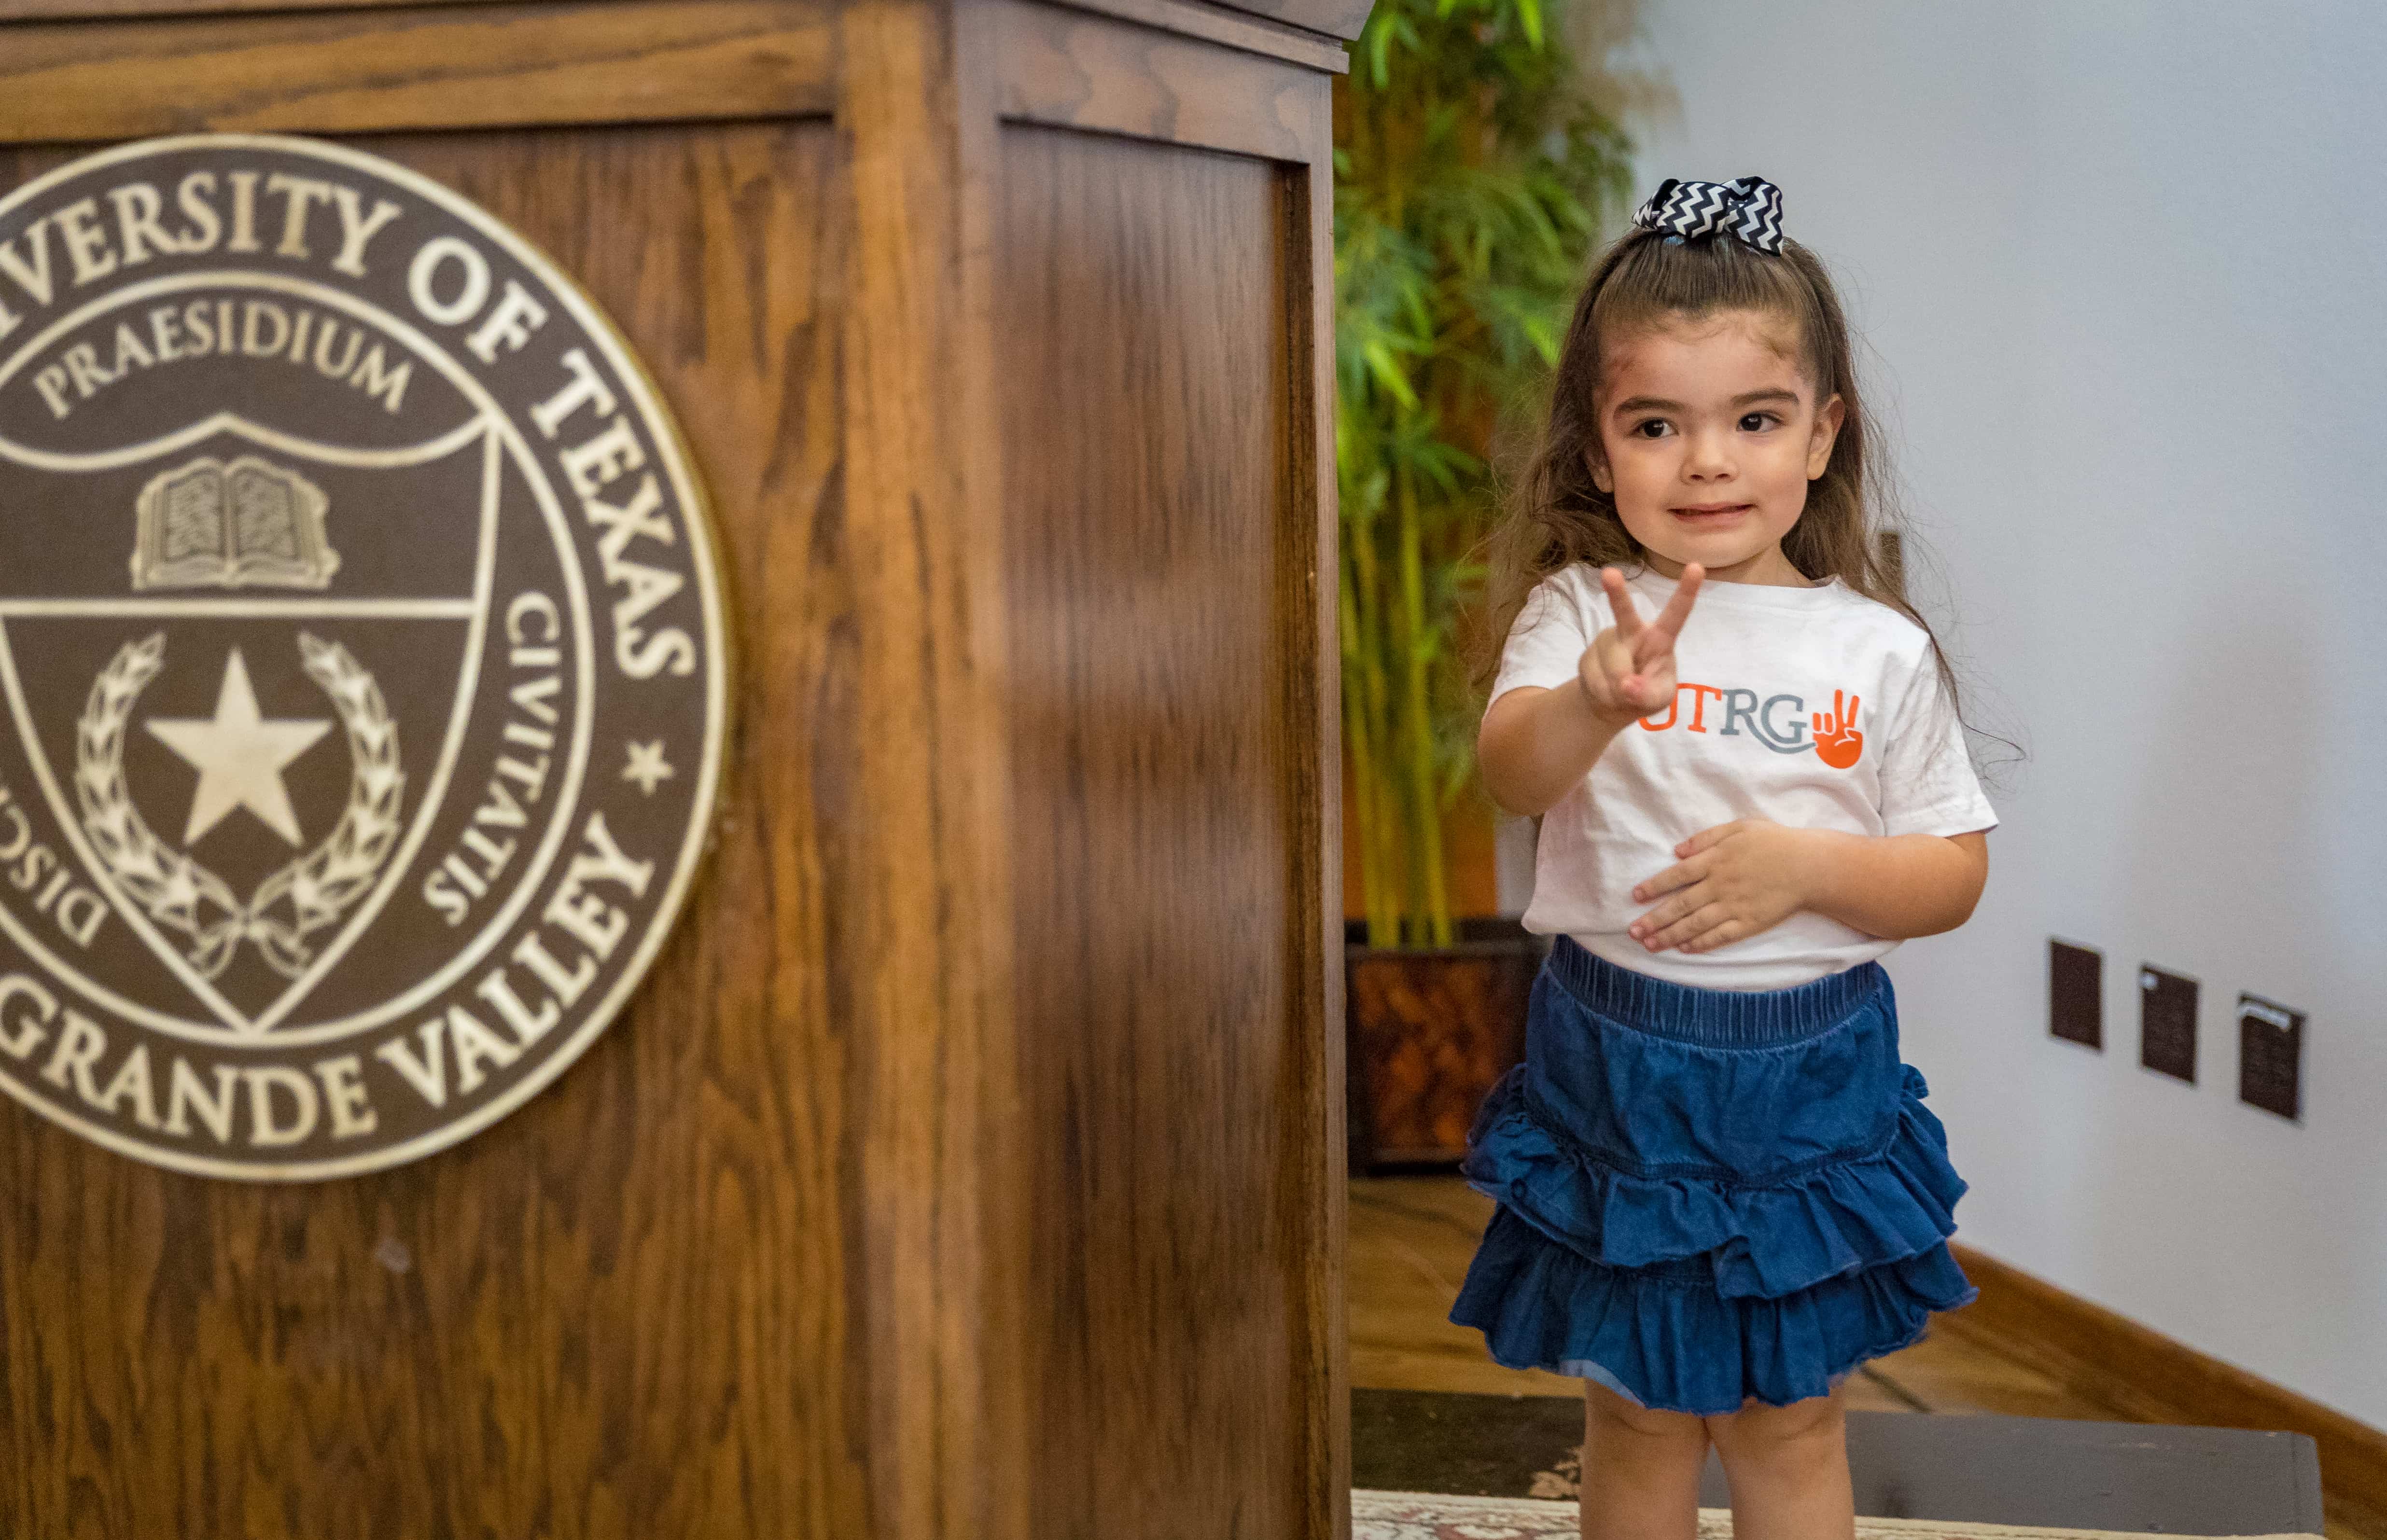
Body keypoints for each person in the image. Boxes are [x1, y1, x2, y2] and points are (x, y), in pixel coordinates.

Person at [1447, 176, 1999, 1540]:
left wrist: (1804, 870)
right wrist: (1589, 699)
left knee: (1788, 1412)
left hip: (1806, 1077)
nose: (1707, 463)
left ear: (1819, 436)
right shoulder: (1581, 608)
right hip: (1616, 1070)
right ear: (1595, 448)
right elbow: (1510, 770)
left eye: (1753, 421)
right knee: (1631, 1405)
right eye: (1656, 425)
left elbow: (1950, 873)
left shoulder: (1873, 648)